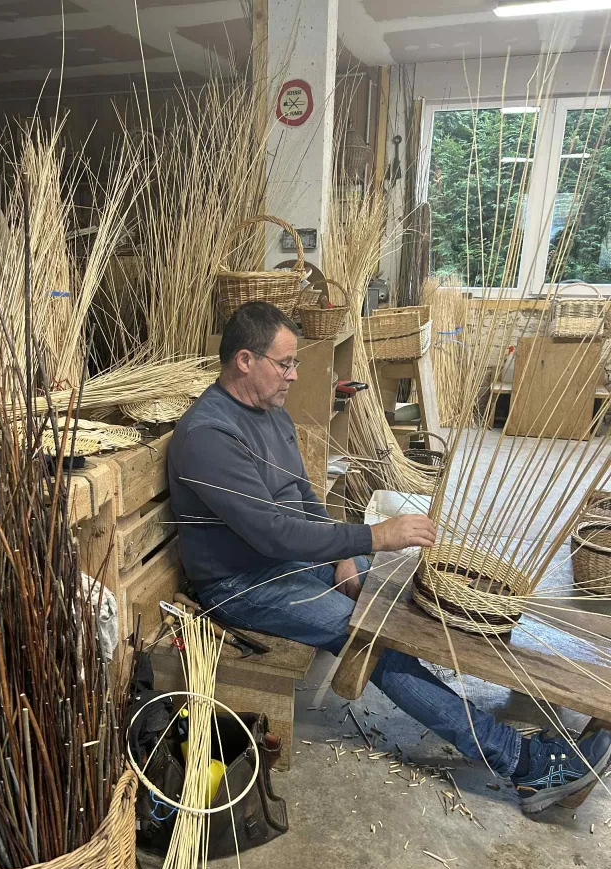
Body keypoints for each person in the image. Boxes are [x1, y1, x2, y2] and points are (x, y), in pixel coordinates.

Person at [168, 301, 611, 815]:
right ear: (245, 360)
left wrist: (343, 554)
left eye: (294, 364)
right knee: (376, 638)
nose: (294, 375)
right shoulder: (209, 437)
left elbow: (304, 499)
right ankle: (526, 766)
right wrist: (369, 538)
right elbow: (272, 535)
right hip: (246, 586)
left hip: (292, 560)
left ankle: (551, 676)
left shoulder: (272, 414)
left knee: (416, 586)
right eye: (285, 364)